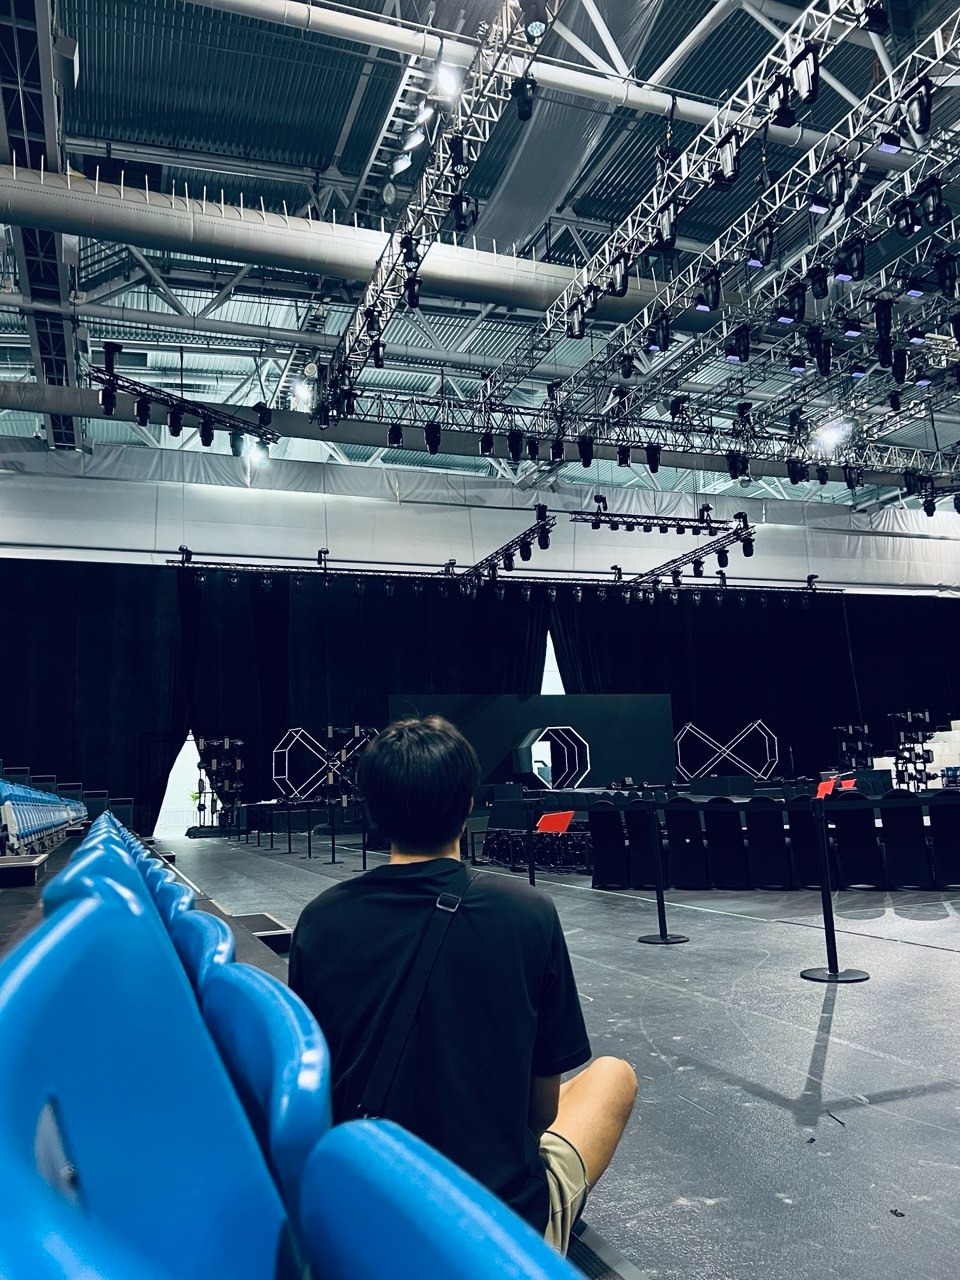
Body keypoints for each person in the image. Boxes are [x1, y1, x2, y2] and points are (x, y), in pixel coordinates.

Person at [289, 715, 636, 1254]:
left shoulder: (319, 919)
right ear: (468, 804)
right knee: (613, 1075)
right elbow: (541, 1113)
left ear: (372, 812)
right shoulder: (528, 912)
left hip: (367, 1211)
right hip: (492, 1228)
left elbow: (318, 1084)